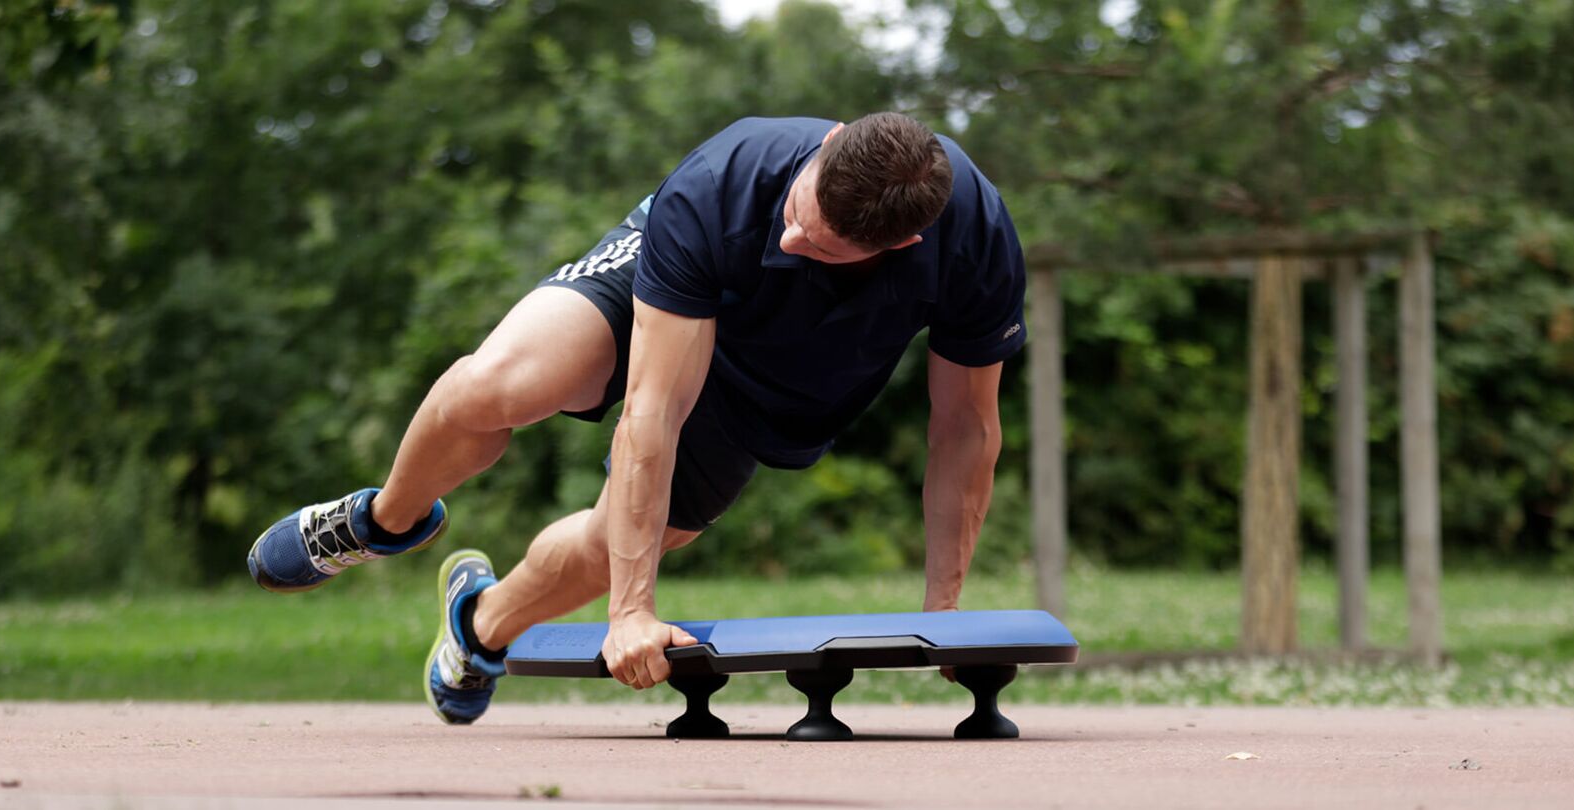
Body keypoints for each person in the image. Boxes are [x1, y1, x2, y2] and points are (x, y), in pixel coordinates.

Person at [245, 112, 1029, 725]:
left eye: (819, 246)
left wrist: (944, 616)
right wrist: (631, 612)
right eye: (798, 210)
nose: (792, 237)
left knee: (631, 533)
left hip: (783, 371)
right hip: (673, 285)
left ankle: (480, 624)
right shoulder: (724, 183)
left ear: (903, 244)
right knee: (498, 385)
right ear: (828, 144)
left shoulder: (977, 244)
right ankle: (385, 520)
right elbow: (653, 411)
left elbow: (964, 429)